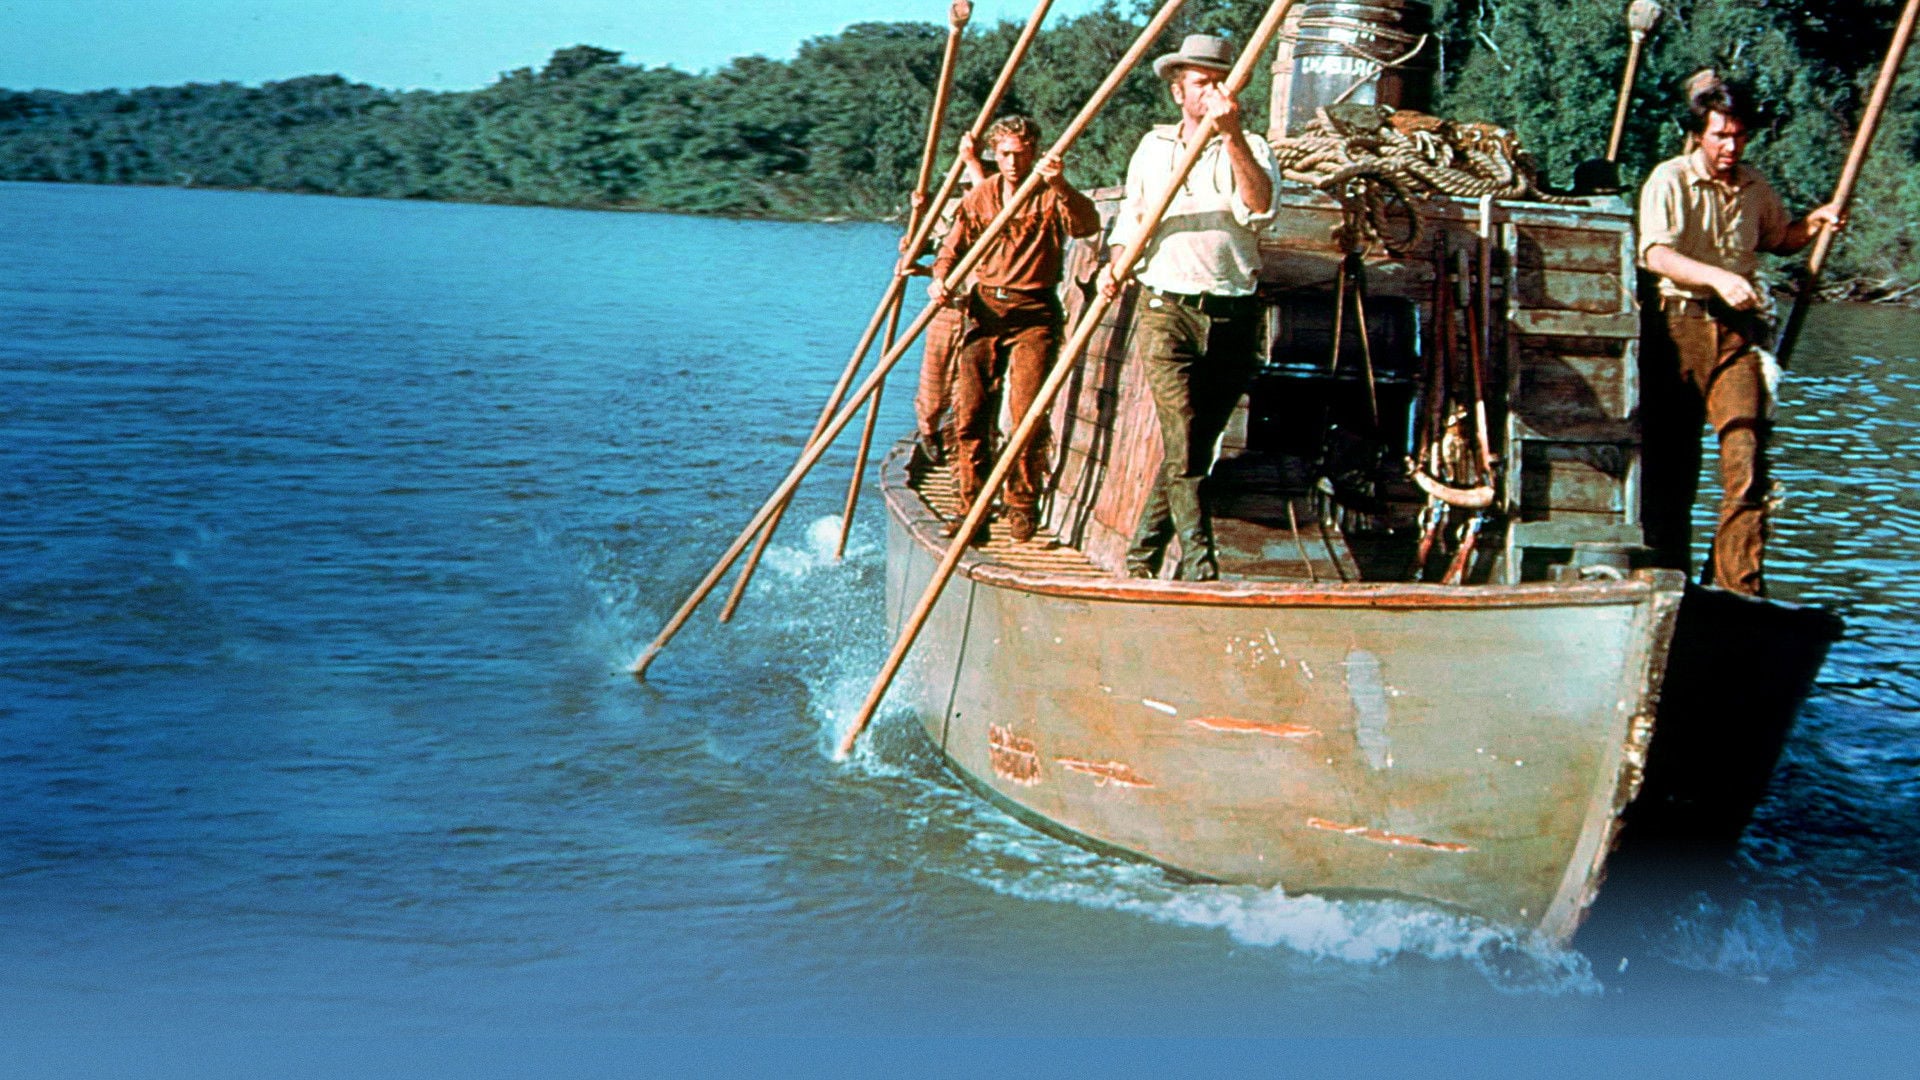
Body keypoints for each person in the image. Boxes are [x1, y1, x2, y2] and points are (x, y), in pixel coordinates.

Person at [1637, 74, 1843, 596]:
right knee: (1671, 471)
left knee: (1746, 461)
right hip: (1677, 329)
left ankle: (1741, 590)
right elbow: (1655, 254)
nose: (1730, 147)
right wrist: (1719, 278)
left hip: (1736, 337)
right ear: (1698, 135)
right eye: (1720, 136)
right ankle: (1668, 583)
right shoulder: (1670, 180)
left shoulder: (1755, 187)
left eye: (1739, 137)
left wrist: (1814, 224)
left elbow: (1780, 238)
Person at [1098, 34, 1280, 581]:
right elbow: (1129, 221)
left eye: (1221, 82)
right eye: (1202, 84)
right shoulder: (1153, 148)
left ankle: (1139, 558)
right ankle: (1202, 570)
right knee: (1182, 438)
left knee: (1192, 446)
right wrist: (1113, 264)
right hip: (1166, 308)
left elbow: (1261, 208)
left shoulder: (1252, 147)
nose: (1212, 92)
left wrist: (1231, 137)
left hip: (1233, 313)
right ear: (1180, 93)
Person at [930, 115, 1100, 543]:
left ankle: (1022, 505)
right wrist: (941, 278)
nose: (1012, 162)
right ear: (993, 153)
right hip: (985, 312)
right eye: (1004, 153)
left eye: (1021, 153)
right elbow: (951, 248)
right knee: (969, 413)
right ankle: (972, 509)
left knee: (1026, 417)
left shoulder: (1048, 193)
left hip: (1034, 314)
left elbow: (1087, 225)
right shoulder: (981, 196)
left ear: (1034, 151)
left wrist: (1059, 184)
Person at [904, 133, 989, 474]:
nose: (970, 194)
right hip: (949, 306)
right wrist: (918, 216)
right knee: (933, 386)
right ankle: (929, 431)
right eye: (966, 189)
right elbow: (929, 248)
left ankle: (962, 457)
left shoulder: (998, 209)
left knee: (967, 391)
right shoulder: (954, 215)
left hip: (982, 311)